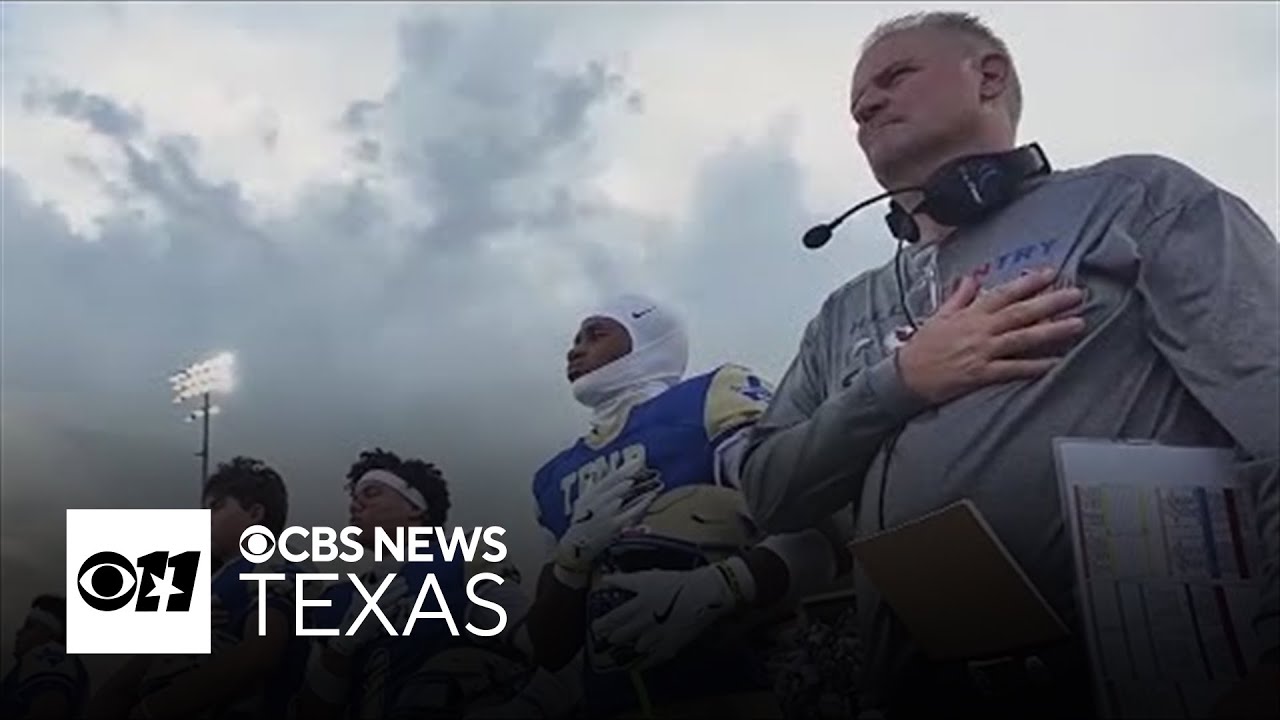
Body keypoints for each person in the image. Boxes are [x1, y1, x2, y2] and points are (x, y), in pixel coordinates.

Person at [738, 10, 1279, 720]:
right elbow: (769, 492)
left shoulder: (1136, 197)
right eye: (855, 105)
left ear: (988, 75)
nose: (866, 106)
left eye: (895, 76)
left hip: (1164, 686)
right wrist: (899, 382)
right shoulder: (842, 312)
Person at [523, 293, 852, 718]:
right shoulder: (551, 477)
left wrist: (725, 585)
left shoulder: (711, 397)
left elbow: (832, 515)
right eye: (576, 338)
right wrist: (571, 561)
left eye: (595, 334)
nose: (575, 347)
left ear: (649, 339)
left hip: (734, 687)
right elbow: (550, 648)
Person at [86, 455, 309, 720]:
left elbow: (260, 653)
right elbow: (137, 671)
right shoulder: (209, 581)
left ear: (255, 513)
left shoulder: (275, 560)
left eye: (215, 508)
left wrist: (154, 709)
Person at [292, 448, 469, 720]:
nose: (354, 505)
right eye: (353, 497)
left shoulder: (466, 560)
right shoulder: (337, 598)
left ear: (415, 507)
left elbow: (536, 649)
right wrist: (340, 650)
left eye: (371, 493)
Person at [1, 594, 89, 720]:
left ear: (52, 633)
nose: (19, 632)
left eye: (29, 626)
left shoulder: (50, 656)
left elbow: (49, 709)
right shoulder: (64, 663)